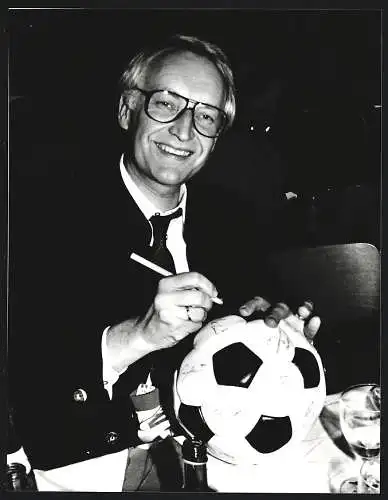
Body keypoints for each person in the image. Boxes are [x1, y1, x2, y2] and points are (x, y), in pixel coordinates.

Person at [9, 34, 320, 488]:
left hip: (221, 456)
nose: (184, 130)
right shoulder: (39, 219)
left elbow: (264, 300)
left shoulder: (230, 218)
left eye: (206, 116)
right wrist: (136, 335)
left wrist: (281, 321)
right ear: (126, 109)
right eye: (167, 103)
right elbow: (26, 386)